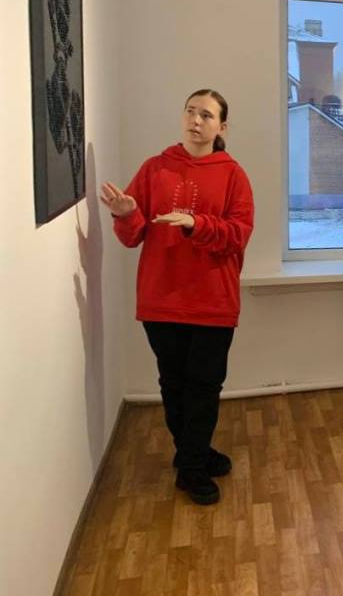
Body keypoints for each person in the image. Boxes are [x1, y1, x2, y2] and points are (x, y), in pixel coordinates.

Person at [101, 89, 254, 506]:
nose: (196, 120)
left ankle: (191, 463)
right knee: (174, 383)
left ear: (222, 127)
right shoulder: (155, 168)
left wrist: (195, 223)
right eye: (190, 111)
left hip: (213, 300)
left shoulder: (233, 174)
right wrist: (125, 214)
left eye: (206, 115)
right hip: (161, 299)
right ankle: (193, 457)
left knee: (204, 385)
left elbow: (238, 234)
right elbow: (133, 236)